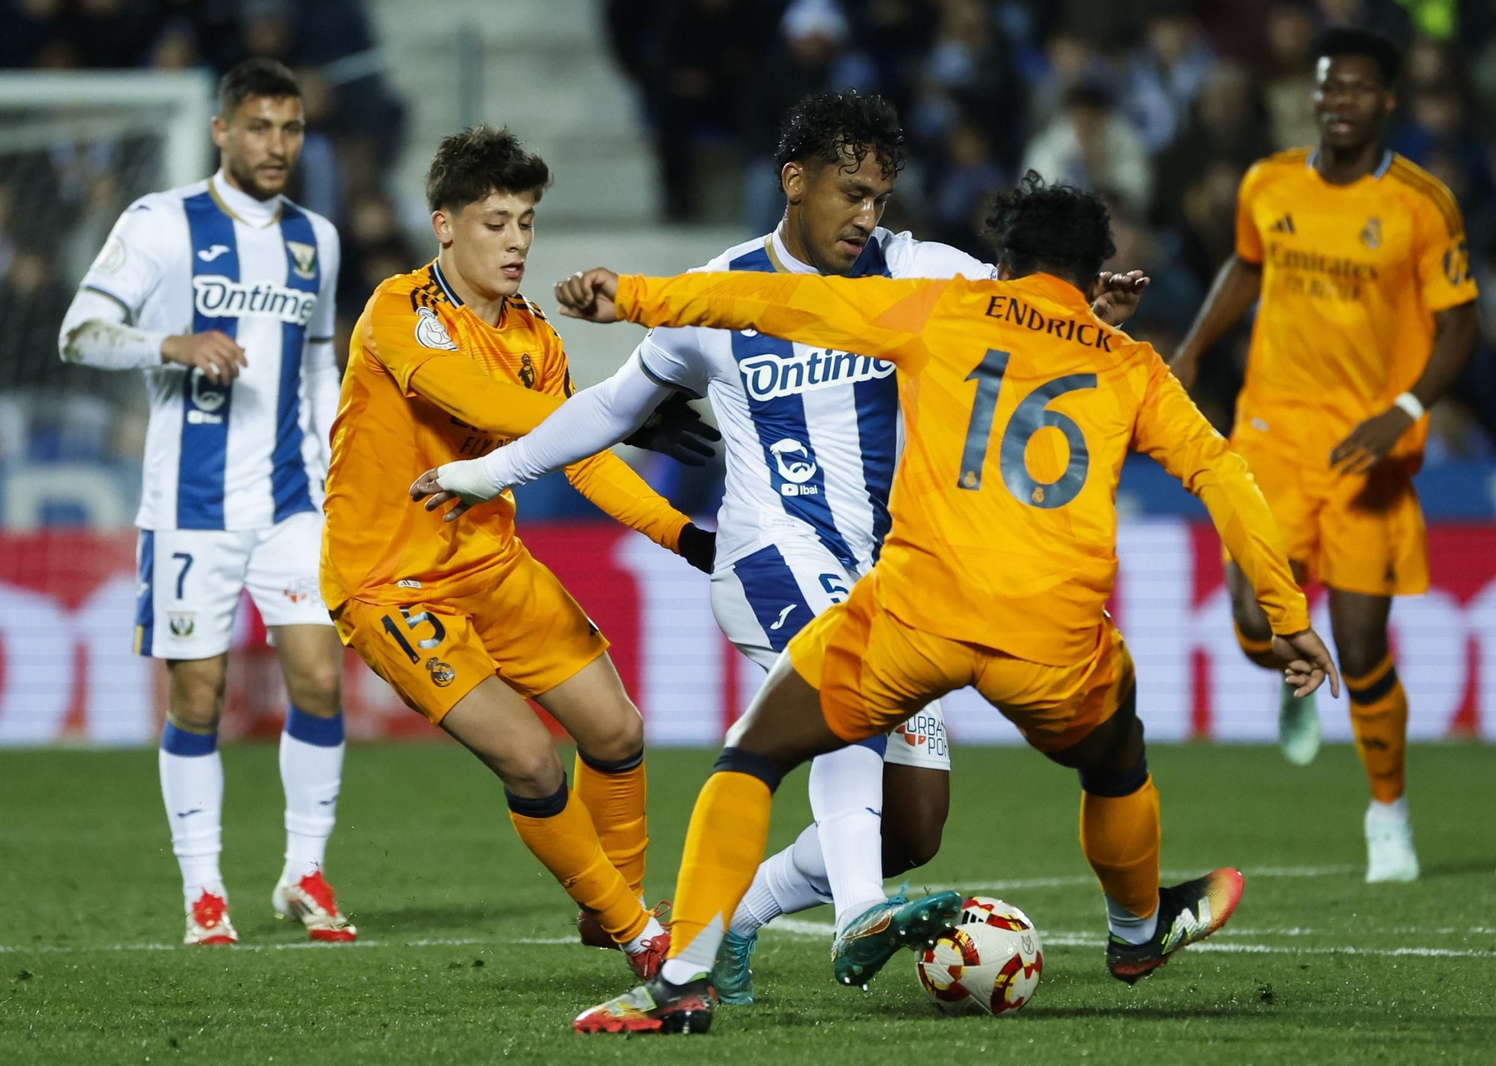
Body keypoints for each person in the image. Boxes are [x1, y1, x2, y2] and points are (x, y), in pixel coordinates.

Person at [431, 173, 1341, 1034]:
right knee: (1116, 761)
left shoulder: (942, 308)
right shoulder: (1130, 363)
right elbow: (1225, 475)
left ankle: (678, 984)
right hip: (1052, 637)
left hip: (916, 616)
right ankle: (1136, 931)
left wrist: (631, 295)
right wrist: (1286, 615)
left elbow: (777, 305)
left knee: (755, 756)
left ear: (1006, 257)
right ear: (1090, 270)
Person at [407, 90, 1146, 1004]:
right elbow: (610, 406)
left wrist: (1089, 318)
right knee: (849, 700)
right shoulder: (727, 291)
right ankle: (859, 914)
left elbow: (1031, 334)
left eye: (880, 195)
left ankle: (737, 914)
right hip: (771, 557)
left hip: (893, 577)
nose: (867, 215)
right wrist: (489, 475)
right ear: (796, 182)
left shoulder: (923, 274)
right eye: (850, 192)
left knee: (914, 825)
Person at [320, 126, 717, 978]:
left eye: (527, 221)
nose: (516, 242)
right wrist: (628, 407)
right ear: (445, 225)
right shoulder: (401, 312)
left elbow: (580, 454)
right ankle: (640, 936)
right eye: (496, 221)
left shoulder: (538, 336)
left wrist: (685, 537)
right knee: (532, 759)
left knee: (616, 730)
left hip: (493, 566)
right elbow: (483, 404)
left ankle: (612, 904)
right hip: (392, 584)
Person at [1169, 27, 1478, 883]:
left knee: (1363, 643)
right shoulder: (1269, 183)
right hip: (1270, 432)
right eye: (1327, 87)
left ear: (1386, 100)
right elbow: (1245, 264)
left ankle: (1389, 814)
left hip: (1368, 451)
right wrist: (1194, 349)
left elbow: (1460, 326)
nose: (1338, 101)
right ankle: (1285, 668)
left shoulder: (1422, 204)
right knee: (1252, 613)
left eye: (1356, 88)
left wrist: (1406, 408)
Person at [57, 59, 353, 945]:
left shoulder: (317, 239)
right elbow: (80, 331)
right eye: (260, 127)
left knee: (321, 677)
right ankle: (205, 891)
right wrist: (170, 343)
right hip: (190, 505)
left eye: (291, 128)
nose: (277, 145)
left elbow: (317, 364)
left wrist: (344, 460)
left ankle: (305, 870)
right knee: (199, 696)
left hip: (293, 500)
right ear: (222, 130)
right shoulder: (161, 222)